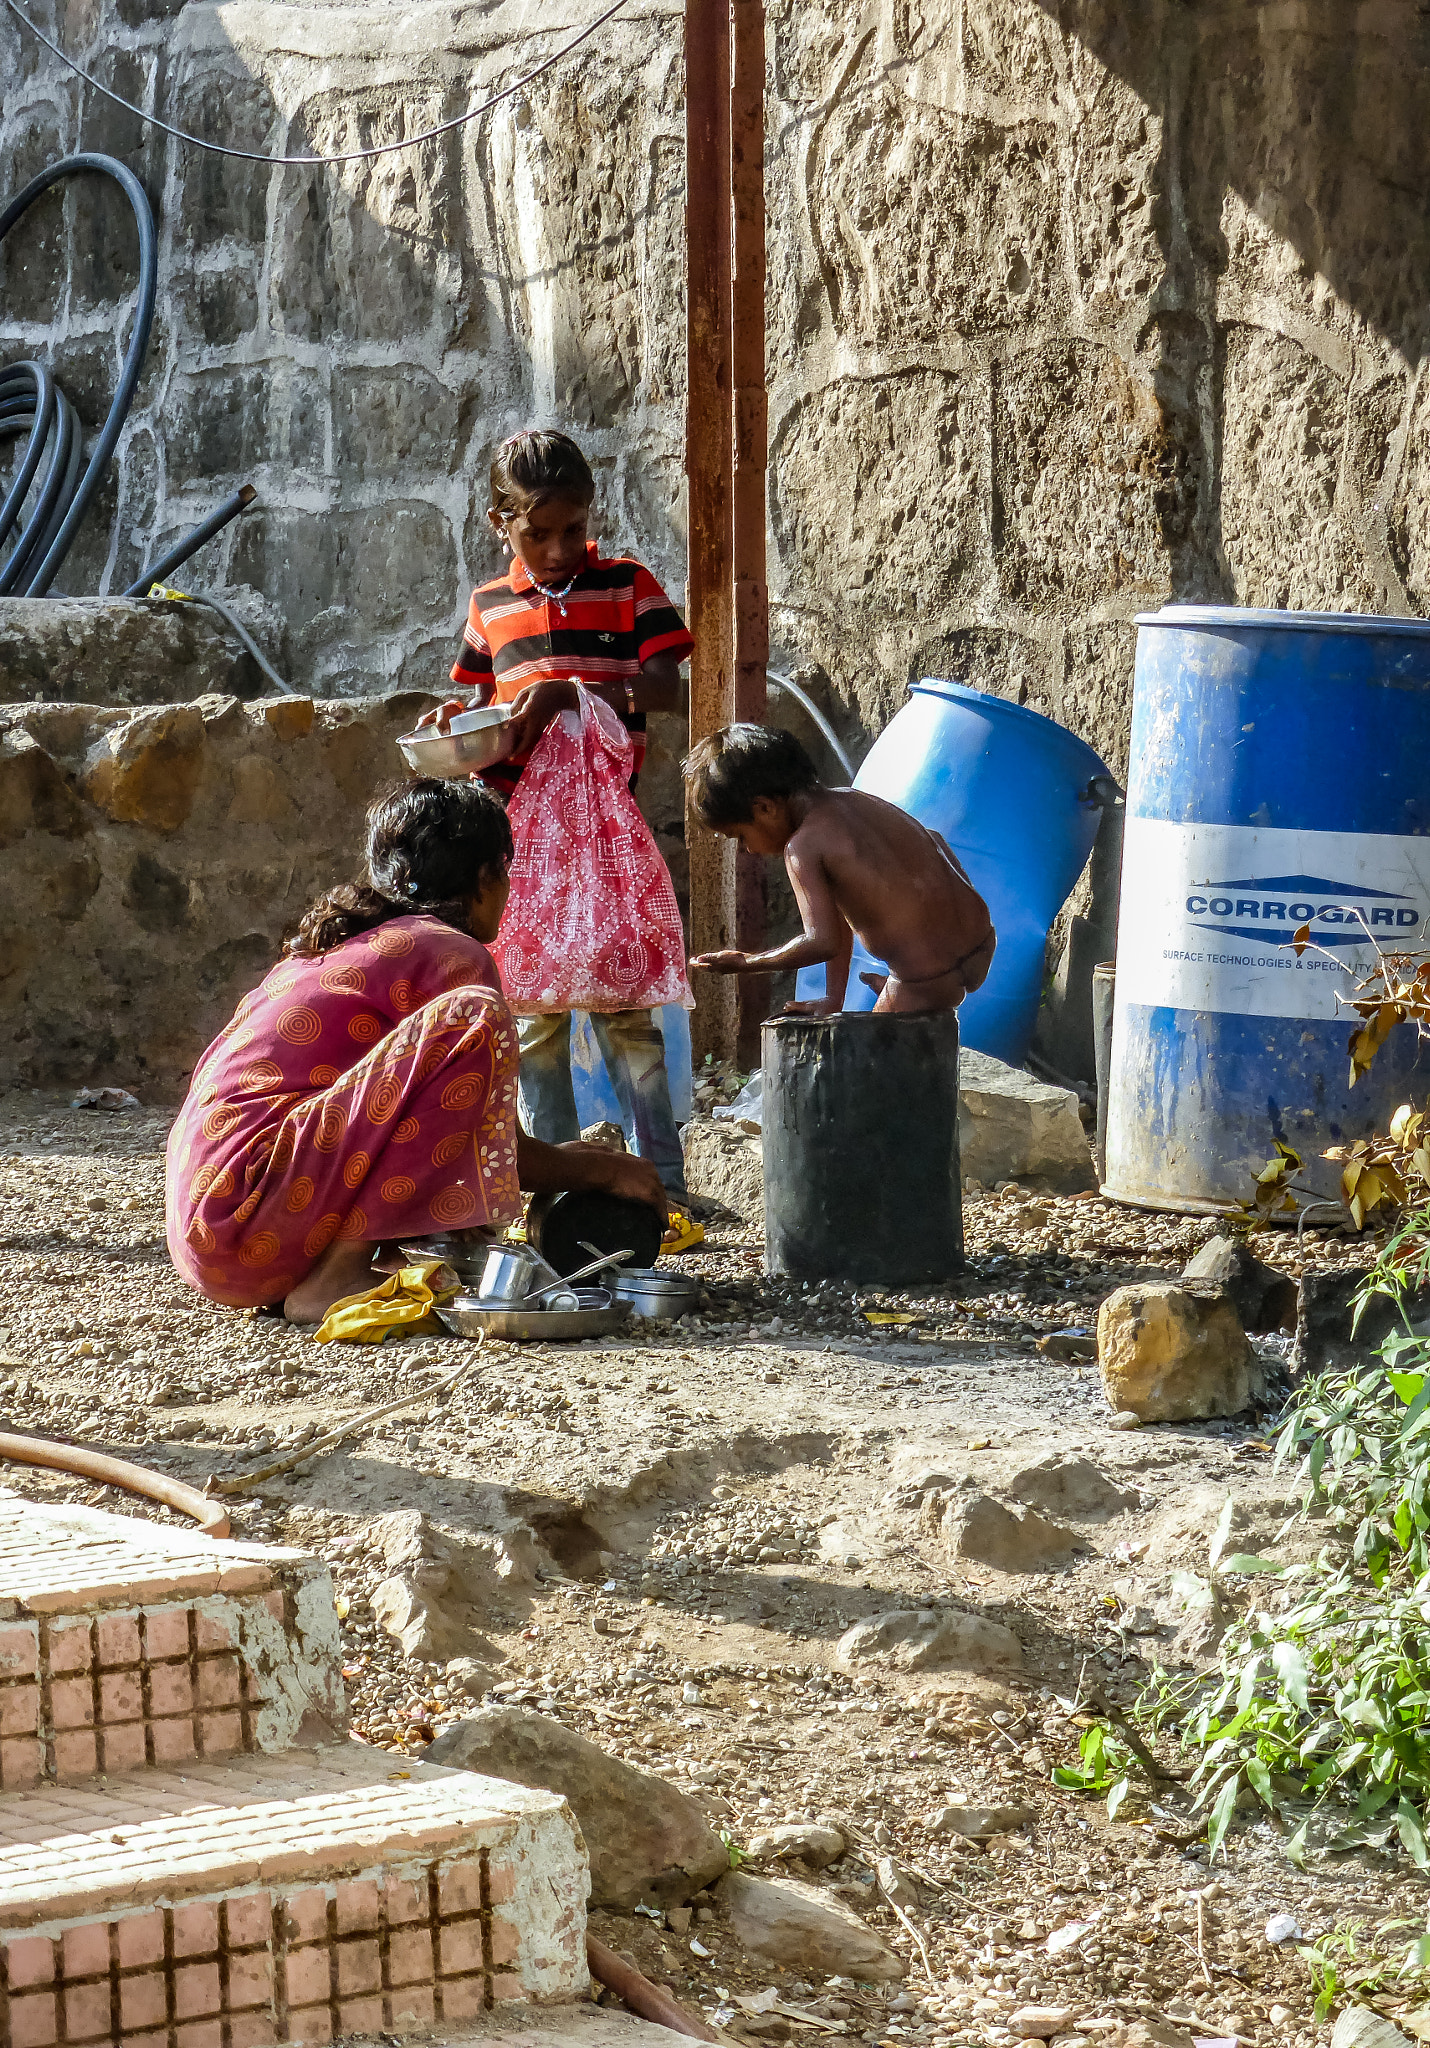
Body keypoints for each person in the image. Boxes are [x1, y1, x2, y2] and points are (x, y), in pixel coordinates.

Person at [165, 778, 665, 1324]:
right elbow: (508, 1154)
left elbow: (458, 1131)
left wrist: (578, 1163)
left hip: (216, 1231)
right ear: (484, 877)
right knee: (475, 1015)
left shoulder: (339, 949)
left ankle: (340, 1263)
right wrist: (606, 1174)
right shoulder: (451, 952)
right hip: (252, 1210)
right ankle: (336, 1278)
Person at [421, 429, 696, 1227]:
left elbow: (666, 690)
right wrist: (456, 719)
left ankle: (664, 1184)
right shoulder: (490, 608)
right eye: (536, 532)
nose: (557, 547)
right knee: (535, 1018)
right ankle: (558, 1181)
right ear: (498, 522)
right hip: (525, 848)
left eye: (571, 529)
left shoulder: (627, 586)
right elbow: (480, 707)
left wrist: (572, 695)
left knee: (624, 1012)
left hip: (606, 840)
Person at [683, 724, 996, 1016]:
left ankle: (906, 994)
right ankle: (903, 989)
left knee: (869, 1065)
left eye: (741, 836)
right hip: (982, 941)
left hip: (927, 979)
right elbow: (934, 840)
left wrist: (747, 962)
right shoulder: (854, 799)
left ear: (764, 808)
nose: (748, 849)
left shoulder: (802, 847)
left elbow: (822, 942)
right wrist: (834, 998)